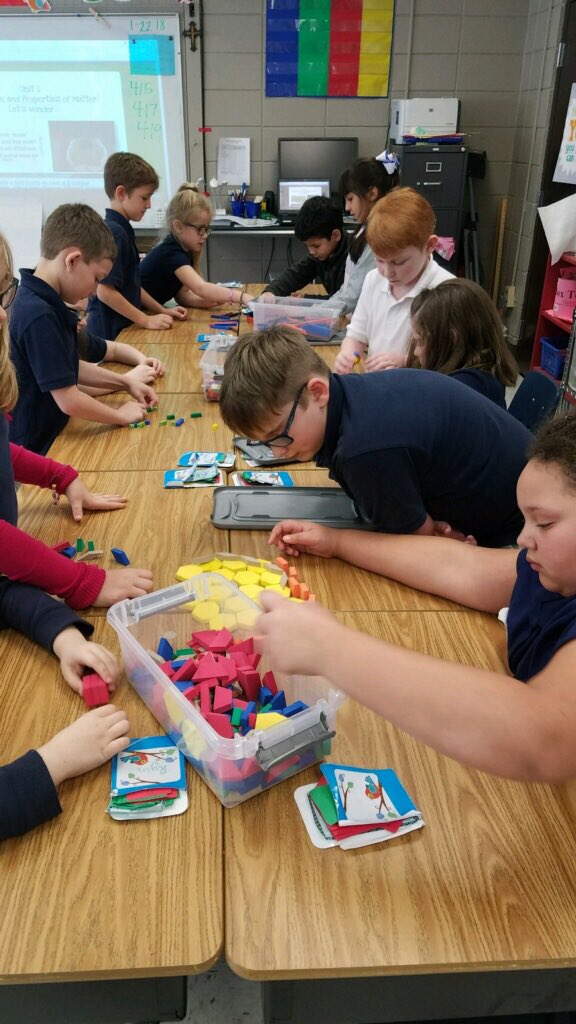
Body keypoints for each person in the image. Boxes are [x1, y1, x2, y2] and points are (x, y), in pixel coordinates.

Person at [260, 412, 576, 784]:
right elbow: (458, 567)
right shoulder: (551, 571)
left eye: (545, 523)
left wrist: (329, 647)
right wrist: (337, 542)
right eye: (525, 521)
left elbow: (545, 739)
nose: (524, 539)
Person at [219, 326, 531, 547]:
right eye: (263, 443)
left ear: (317, 392)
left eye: (278, 435)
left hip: (519, 538)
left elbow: (416, 546)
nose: (275, 453)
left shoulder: (364, 451)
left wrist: (419, 532)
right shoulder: (355, 395)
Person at [9, 203, 159, 454]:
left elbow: (68, 368)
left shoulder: (45, 302)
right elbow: (68, 399)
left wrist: (125, 383)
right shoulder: (38, 314)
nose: (93, 291)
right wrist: (118, 415)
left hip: (57, 437)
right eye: (97, 279)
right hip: (39, 449)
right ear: (73, 260)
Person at [334, 187, 453, 375]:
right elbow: (357, 336)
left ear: (429, 245)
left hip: (419, 393)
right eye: (379, 260)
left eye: (399, 262)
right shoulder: (374, 279)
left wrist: (407, 362)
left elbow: (449, 361)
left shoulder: (446, 291)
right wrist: (349, 353)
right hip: (378, 388)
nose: (387, 272)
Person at [86, 152, 188, 339]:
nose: (149, 205)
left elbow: (131, 285)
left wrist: (161, 310)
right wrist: (146, 320)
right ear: (121, 193)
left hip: (122, 330)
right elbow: (105, 291)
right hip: (110, 334)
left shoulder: (122, 229)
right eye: (144, 198)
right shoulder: (115, 233)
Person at [139, 183, 255, 309]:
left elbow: (182, 296)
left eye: (206, 229)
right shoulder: (171, 253)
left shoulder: (184, 251)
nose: (205, 235)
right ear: (178, 227)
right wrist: (242, 297)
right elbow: (201, 287)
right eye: (200, 229)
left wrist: (206, 301)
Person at [408, 279, 518, 409]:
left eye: (421, 342)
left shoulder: (457, 391)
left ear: (450, 339)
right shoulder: (485, 371)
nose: (416, 352)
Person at [330, 154, 399, 315]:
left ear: (372, 194)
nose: (347, 207)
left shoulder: (378, 236)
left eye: (350, 199)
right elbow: (349, 287)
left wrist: (315, 313)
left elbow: (352, 296)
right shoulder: (364, 229)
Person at [259, 196, 348, 300]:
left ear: (335, 236)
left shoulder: (353, 258)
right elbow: (296, 273)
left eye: (316, 246)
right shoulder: (323, 254)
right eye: (307, 246)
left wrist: (308, 299)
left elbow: (345, 302)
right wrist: (271, 291)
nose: (311, 252)